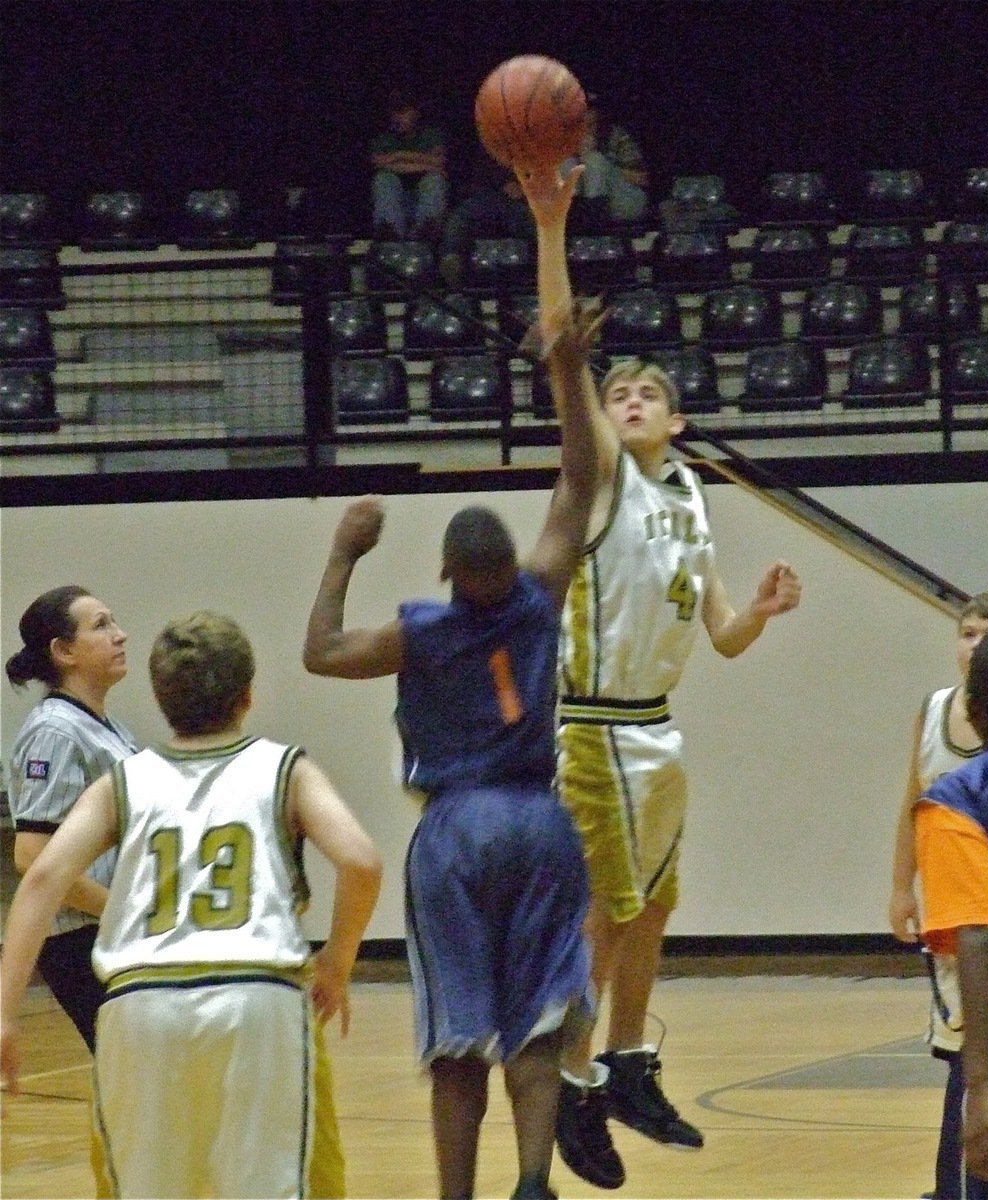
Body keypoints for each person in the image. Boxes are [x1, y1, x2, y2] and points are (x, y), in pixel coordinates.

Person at [517, 161, 803, 1190]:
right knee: (600, 916)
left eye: (647, 394)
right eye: (618, 392)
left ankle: (629, 1063)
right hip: (590, 725)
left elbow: (718, 634)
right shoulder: (595, 481)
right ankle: (574, 1084)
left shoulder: (686, 499)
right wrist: (551, 223)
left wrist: (758, 616)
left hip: (657, 727)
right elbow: (563, 352)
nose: (628, 399)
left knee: (652, 913)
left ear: (675, 424)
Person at [301, 279, 603, 1200]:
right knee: (540, 1024)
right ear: (508, 565)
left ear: (445, 571)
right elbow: (580, 481)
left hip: (457, 831)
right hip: (541, 821)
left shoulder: (417, 631)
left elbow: (318, 652)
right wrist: (568, 372)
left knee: (458, 1036)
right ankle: (533, 1180)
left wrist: (346, 548)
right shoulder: (541, 590)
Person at [1, 610, 383, 1199]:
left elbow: (42, 876)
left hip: (139, 1006)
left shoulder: (126, 781)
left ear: (162, 698)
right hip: (257, 999)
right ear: (249, 694)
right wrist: (336, 960)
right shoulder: (284, 768)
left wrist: (4, 1013)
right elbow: (361, 862)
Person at [889, 592, 988, 1200]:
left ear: (975, 712)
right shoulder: (932, 716)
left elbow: (980, 930)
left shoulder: (965, 798)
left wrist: (979, 1081)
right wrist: (899, 886)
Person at [5, 584, 136, 1052]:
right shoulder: (54, 733)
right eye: (102, 625)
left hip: (110, 928)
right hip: (81, 939)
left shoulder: (104, 723)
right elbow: (32, 854)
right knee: (134, 1076)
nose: (120, 635)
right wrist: (122, 908)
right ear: (64, 651)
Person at [438, 159, 534, 287]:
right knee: (463, 215)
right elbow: (477, 172)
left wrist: (524, 186)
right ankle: (452, 259)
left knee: (524, 218)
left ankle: (544, 261)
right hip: (485, 193)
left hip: (527, 197)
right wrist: (503, 182)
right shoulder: (490, 147)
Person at [370, 87, 448, 241]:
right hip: (396, 199)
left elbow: (439, 161)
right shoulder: (383, 139)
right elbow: (379, 164)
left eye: (403, 112)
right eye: (395, 113)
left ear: (415, 113)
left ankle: (426, 232)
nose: (398, 118)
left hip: (423, 197)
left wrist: (397, 158)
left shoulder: (431, 135)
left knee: (434, 180)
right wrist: (424, 163)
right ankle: (391, 234)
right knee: (383, 179)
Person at [562, 99, 649, 229]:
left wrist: (600, 160)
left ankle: (594, 222)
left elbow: (642, 179)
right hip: (572, 205)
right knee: (565, 163)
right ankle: (571, 225)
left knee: (594, 160)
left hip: (621, 200)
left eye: (591, 124)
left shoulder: (616, 136)